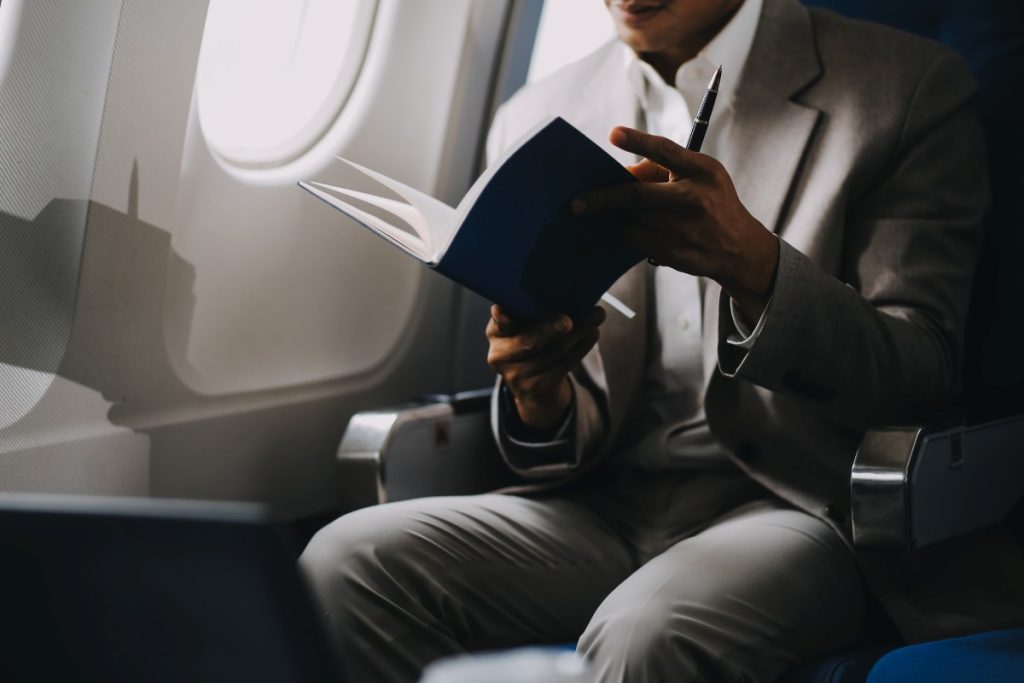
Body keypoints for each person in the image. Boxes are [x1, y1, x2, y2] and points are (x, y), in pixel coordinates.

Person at [300, 1, 1024, 681]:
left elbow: (919, 364)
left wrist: (759, 269)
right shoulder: (535, 113)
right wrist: (536, 390)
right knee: (342, 563)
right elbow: (558, 418)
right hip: (601, 503)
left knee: (648, 630)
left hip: (801, 504)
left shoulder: (905, 87)